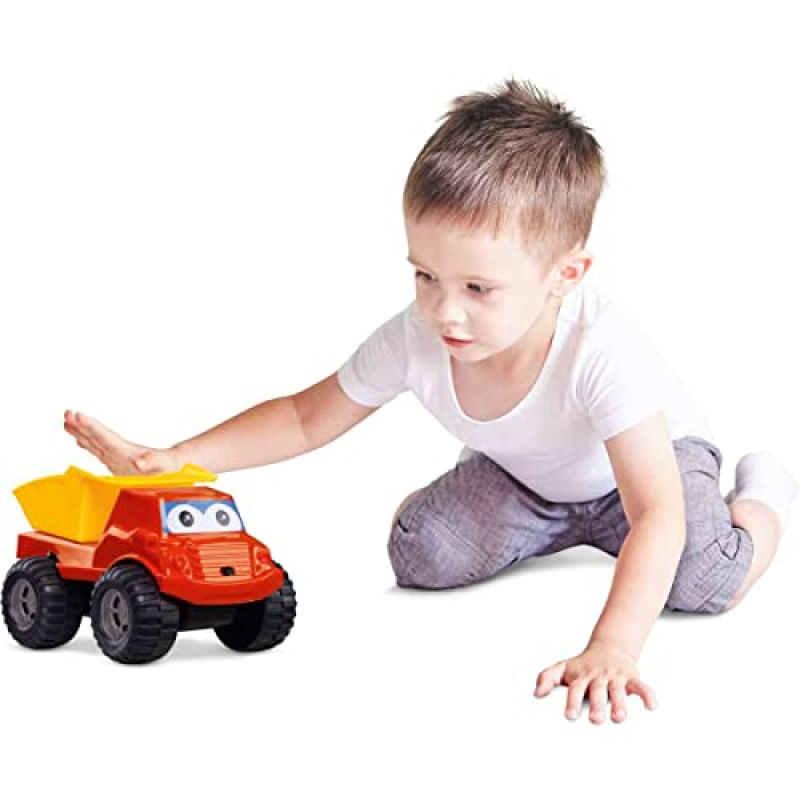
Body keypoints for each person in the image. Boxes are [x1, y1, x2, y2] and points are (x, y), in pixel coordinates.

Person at [64, 78, 798, 725]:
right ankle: (551, 528)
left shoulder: (603, 348)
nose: (445, 312)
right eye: (425, 276)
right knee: (420, 554)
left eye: (479, 288)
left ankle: (761, 495)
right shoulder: (419, 337)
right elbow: (305, 417)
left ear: (564, 275)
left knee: (702, 578)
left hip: (644, 475)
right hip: (527, 478)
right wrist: (177, 456)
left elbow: (657, 512)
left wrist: (612, 645)